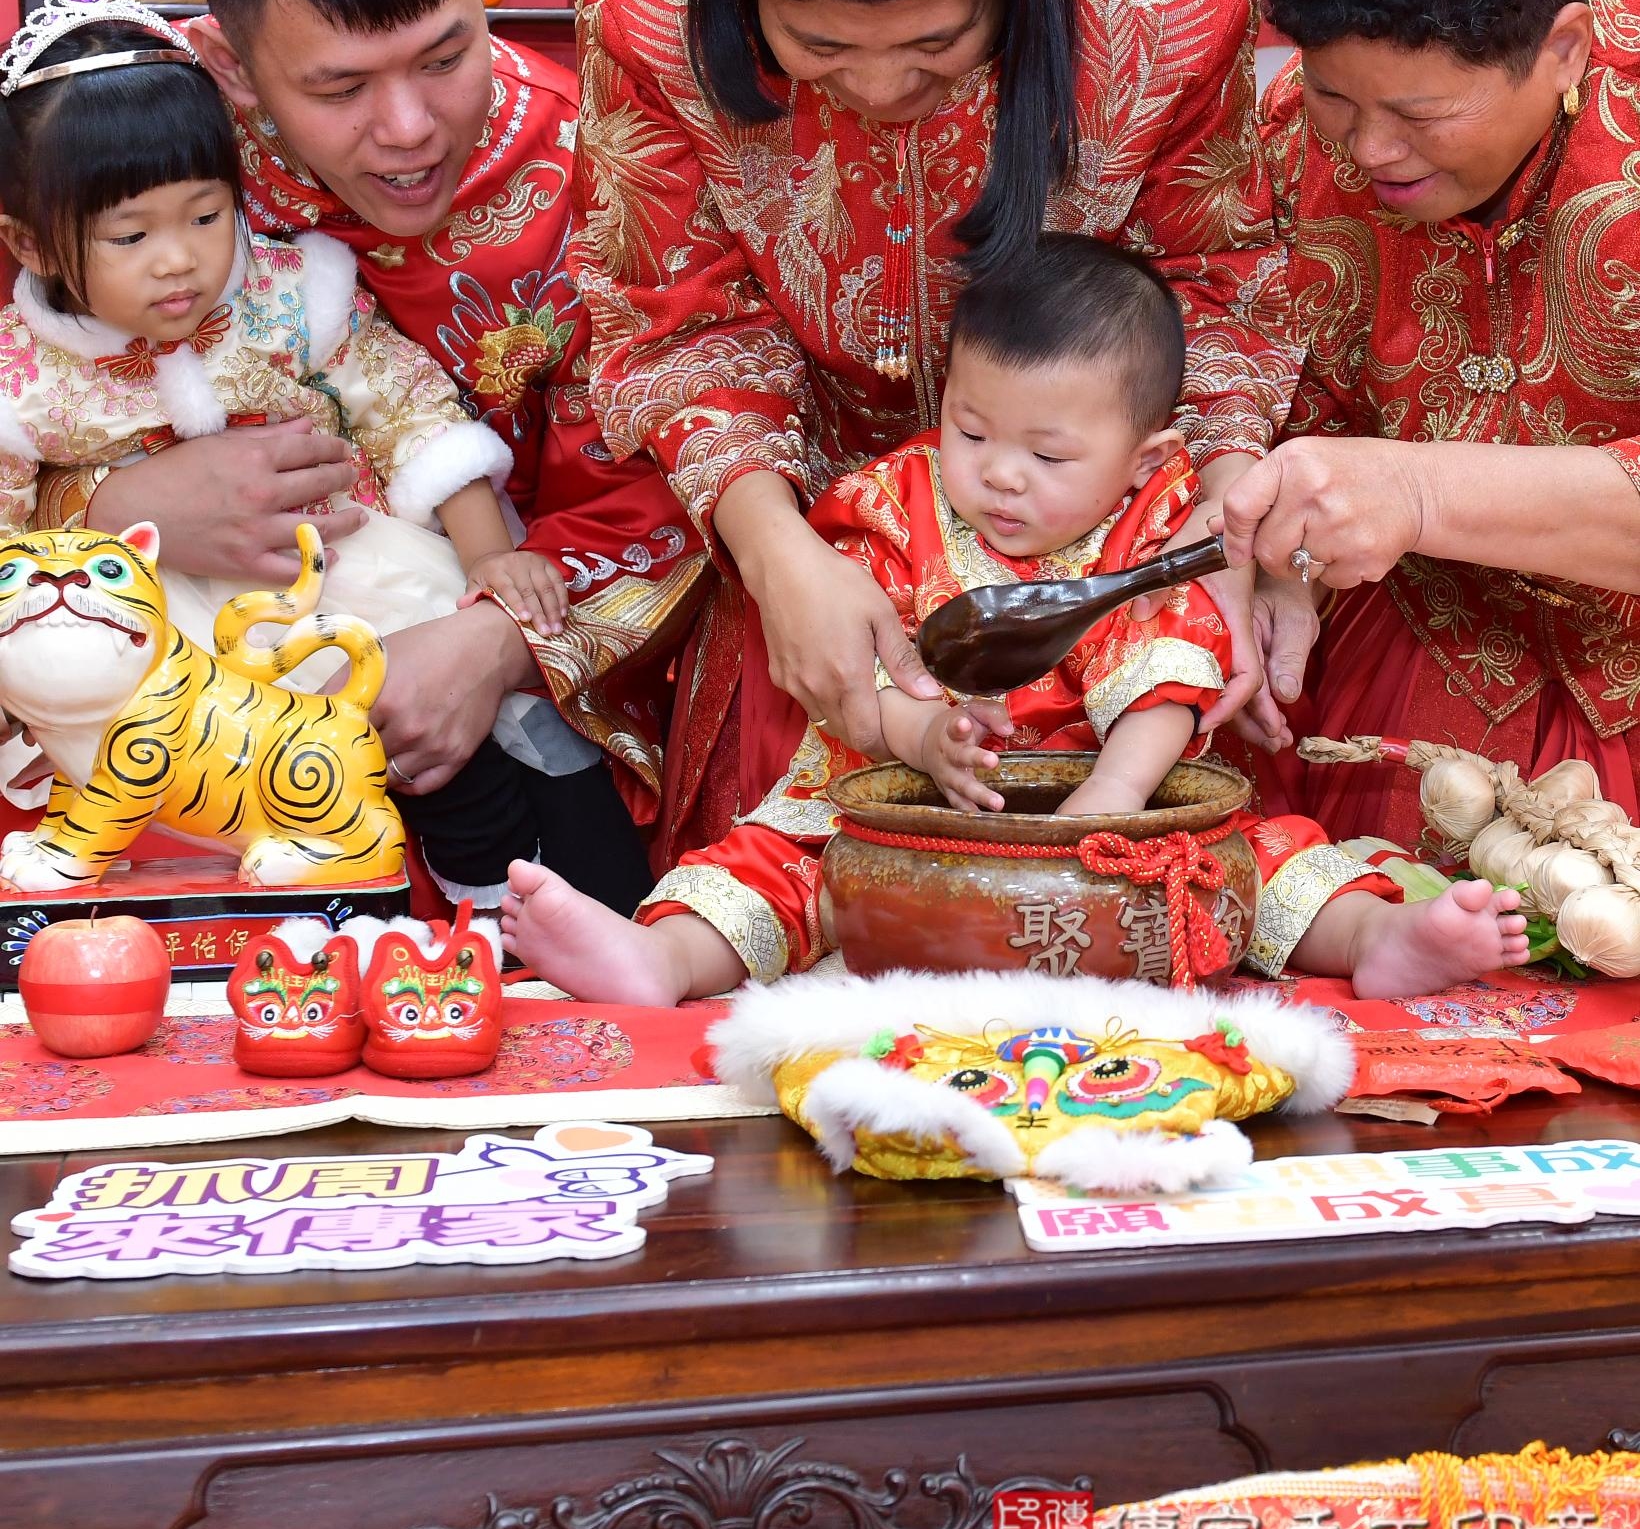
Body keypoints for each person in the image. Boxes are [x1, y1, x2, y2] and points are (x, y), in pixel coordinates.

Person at [571, 0, 1292, 858]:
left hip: (1107, 574)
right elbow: (676, 312)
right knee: (796, 936)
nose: (874, 86)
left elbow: (1217, 289)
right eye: (816, 47)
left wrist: (1221, 524)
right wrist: (780, 553)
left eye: (933, 47)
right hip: (813, 562)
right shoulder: (645, 1)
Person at [503, 236, 1528, 1001]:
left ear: (1138, 455)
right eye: (971, 427)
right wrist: (916, 733)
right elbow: (863, 665)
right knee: (776, 864)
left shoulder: (1165, 512)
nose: (996, 472)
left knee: (1248, 859)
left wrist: (1114, 795)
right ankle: (660, 956)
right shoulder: (891, 501)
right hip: (906, 805)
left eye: (1046, 455)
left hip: (1123, 809)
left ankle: (1377, 943)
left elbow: (1176, 649)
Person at [29, 0, 704, 848]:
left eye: (444, 57)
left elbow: (666, 486)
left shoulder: (604, 183)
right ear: (235, 66)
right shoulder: (141, 161)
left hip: (504, 690)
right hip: (185, 704)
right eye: (339, 85)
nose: (406, 129)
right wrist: (107, 503)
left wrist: (488, 646)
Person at [0, 0, 649, 912]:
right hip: (181, 646)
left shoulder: (289, 292)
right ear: (31, 244)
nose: (179, 260)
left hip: (357, 578)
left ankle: (570, 913)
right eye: (132, 236)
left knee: (494, 728)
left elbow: (412, 413)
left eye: (206, 216)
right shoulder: (21, 381)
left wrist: (489, 563)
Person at [1220, 0, 1640, 844]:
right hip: (1400, 664)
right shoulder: (1284, 140)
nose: (1365, 152)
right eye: (1330, 96)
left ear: (1563, 48)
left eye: (1418, 114)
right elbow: (1249, 382)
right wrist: (1274, 560)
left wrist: (1412, 486)